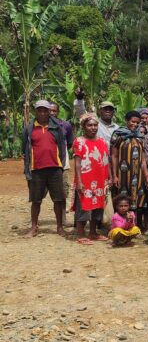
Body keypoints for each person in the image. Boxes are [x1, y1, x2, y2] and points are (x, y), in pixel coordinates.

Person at [23, 101, 68, 237]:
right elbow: (25, 149)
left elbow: (62, 147)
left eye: (45, 111)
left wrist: (61, 164)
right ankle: (34, 227)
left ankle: (60, 227)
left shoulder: (57, 128)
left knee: (58, 199)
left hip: (55, 168)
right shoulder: (29, 128)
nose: (42, 113)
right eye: (39, 110)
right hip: (36, 169)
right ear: (35, 112)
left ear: (49, 112)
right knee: (36, 200)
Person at [72, 113, 111, 244]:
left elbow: (106, 160)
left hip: (101, 180)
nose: (93, 128)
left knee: (98, 206)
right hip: (85, 180)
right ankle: (81, 234)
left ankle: (93, 232)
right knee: (83, 206)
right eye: (89, 125)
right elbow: (77, 163)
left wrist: (109, 177)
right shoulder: (79, 142)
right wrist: (79, 181)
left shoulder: (102, 142)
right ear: (84, 127)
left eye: (95, 125)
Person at [111, 111, 148, 228]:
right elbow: (114, 156)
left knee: (137, 201)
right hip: (122, 175)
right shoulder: (118, 134)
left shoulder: (140, 137)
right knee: (122, 201)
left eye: (137, 123)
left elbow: (143, 159)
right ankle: (119, 226)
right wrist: (114, 176)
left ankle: (134, 226)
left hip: (137, 176)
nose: (135, 124)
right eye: (132, 121)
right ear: (127, 121)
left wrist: (146, 176)